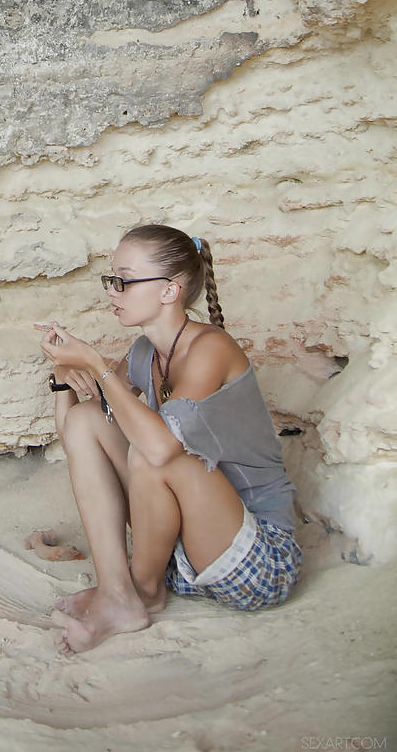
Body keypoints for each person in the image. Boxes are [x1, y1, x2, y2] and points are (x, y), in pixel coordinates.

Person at [34, 223, 301, 653]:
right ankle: (119, 591)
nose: (112, 292)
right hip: (181, 556)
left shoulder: (212, 348)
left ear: (169, 291)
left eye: (124, 280)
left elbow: (159, 449)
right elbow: (78, 434)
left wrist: (95, 363)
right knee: (89, 420)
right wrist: (64, 380)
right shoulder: (144, 353)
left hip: (256, 558)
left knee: (155, 450)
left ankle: (139, 590)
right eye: (111, 280)